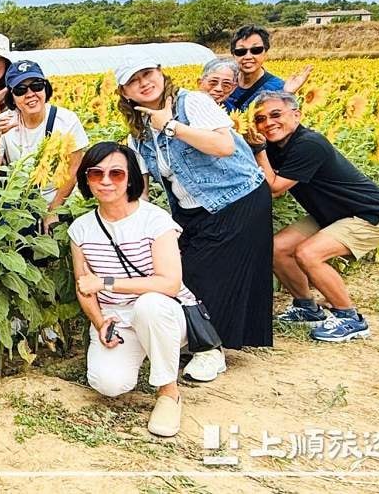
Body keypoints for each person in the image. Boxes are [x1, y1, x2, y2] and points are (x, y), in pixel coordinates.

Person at [117, 57, 273, 383]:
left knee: (204, 276)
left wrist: (171, 126)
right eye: (134, 81)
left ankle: (210, 352)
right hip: (191, 210)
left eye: (147, 73)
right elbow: (143, 190)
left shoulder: (193, 103)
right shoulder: (139, 135)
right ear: (126, 93)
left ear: (160, 73)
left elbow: (224, 145)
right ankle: (198, 341)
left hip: (237, 197)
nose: (144, 83)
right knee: (183, 272)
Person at [255, 91, 379, 342]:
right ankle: (307, 308)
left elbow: (276, 188)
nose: (269, 123)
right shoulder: (276, 145)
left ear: (296, 115)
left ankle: (350, 318)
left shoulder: (309, 144)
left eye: (276, 114)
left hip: (370, 213)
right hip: (332, 214)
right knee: (277, 248)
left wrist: (257, 149)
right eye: (260, 118)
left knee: (308, 253)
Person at [68, 142, 192, 437]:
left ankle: (168, 393)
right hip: (116, 316)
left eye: (116, 174)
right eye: (96, 174)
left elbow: (169, 283)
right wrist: (100, 322)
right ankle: (149, 349)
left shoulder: (155, 220)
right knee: (108, 384)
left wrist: (107, 282)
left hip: (163, 310)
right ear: (87, 179)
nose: (106, 181)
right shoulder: (81, 229)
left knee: (149, 306)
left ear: (132, 178)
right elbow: (84, 286)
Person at [0, 60, 89, 231]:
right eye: (20, 90)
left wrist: (53, 209)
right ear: (12, 97)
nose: (30, 94)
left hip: (61, 196)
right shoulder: (2, 123)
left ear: (45, 88)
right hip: (21, 201)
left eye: (37, 86)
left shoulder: (66, 120)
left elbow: (73, 169)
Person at [222, 25, 313, 112]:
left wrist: (287, 95)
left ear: (266, 53)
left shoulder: (279, 88)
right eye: (241, 51)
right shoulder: (223, 82)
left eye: (256, 50)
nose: (248, 56)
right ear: (233, 55)